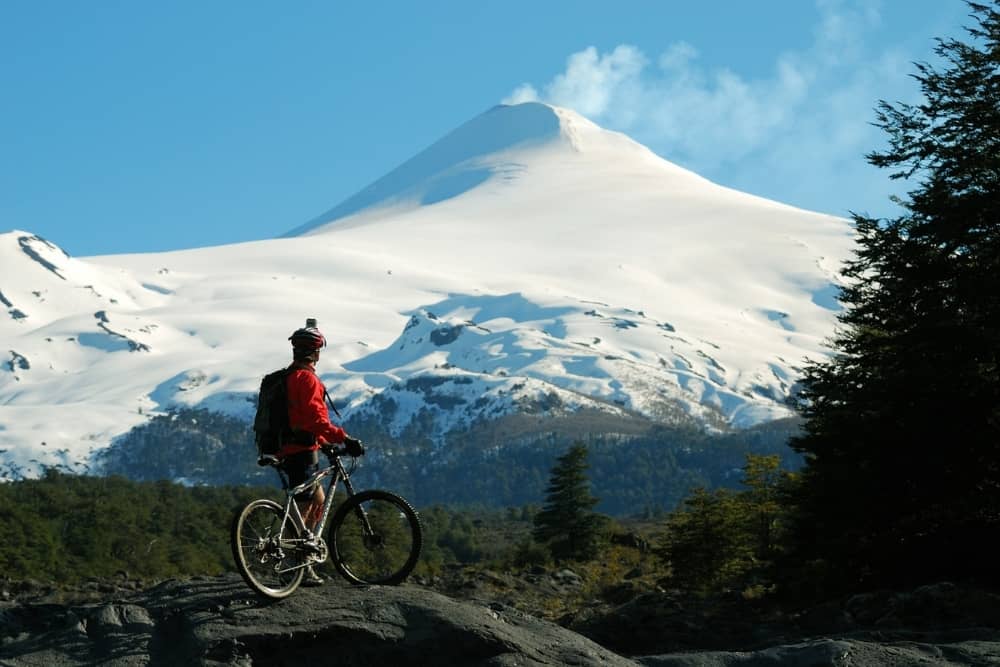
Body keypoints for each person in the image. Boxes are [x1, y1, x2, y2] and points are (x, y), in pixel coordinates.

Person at [278, 319, 362, 586]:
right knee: (303, 507)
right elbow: (316, 420)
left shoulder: (288, 377)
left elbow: (301, 419)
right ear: (316, 352)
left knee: (317, 499)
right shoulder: (308, 379)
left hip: (289, 447)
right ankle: (295, 565)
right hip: (301, 451)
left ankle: (299, 558)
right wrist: (344, 438)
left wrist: (324, 443)